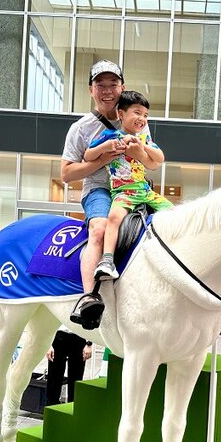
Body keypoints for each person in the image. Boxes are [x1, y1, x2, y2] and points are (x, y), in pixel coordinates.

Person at [61, 60, 152, 328]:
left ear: (122, 87)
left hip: (133, 189)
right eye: (100, 84)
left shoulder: (138, 121)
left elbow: (149, 160)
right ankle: (89, 296)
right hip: (99, 189)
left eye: (113, 84)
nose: (107, 90)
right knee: (99, 230)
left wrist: (140, 154)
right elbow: (66, 174)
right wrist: (103, 159)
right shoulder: (81, 128)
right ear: (91, 90)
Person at [84, 90, 170, 280]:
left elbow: (159, 158)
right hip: (123, 192)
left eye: (146, 115)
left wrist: (141, 146)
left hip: (145, 192)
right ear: (121, 114)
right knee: (114, 218)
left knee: (173, 213)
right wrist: (107, 146)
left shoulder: (145, 139)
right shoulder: (110, 135)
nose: (142, 118)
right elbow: (88, 155)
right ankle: (107, 260)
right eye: (137, 113)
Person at [45, 328, 92, 405]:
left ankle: (73, 409)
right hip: (58, 336)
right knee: (54, 379)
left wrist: (89, 343)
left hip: (79, 336)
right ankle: (51, 410)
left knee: (76, 378)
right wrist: (48, 344)